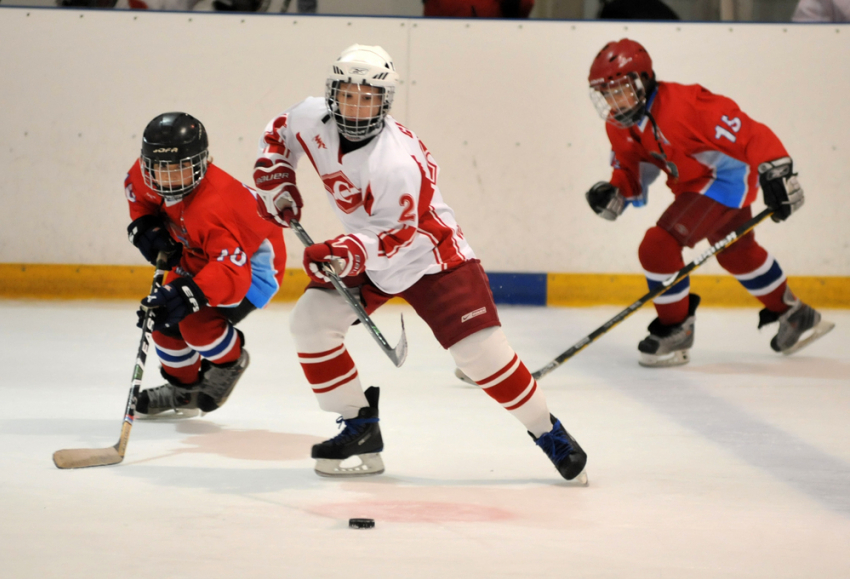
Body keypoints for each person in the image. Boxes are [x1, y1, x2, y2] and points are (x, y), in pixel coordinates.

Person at [253, 44, 586, 482]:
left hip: (430, 255)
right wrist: (277, 178)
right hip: (368, 248)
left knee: (479, 357)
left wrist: (344, 251)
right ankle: (359, 429)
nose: (356, 105)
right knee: (310, 323)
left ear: (384, 102)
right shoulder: (310, 118)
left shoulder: (395, 163)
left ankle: (550, 432)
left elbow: (400, 236)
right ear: (333, 93)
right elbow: (279, 133)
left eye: (368, 97)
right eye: (348, 94)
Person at [584, 38, 834, 367]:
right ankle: (795, 314)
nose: (613, 101)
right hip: (693, 186)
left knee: (658, 245)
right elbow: (632, 171)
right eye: (606, 93)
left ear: (643, 79)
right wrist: (615, 193)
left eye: (620, 90)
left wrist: (777, 171)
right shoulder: (620, 126)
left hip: (725, 179)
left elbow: (750, 133)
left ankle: (675, 329)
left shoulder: (688, 106)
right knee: (736, 252)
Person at [126, 112, 286, 417]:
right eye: (161, 168)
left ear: (202, 162)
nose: (170, 178)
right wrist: (147, 225)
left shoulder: (218, 204)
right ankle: (183, 391)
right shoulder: (143, 175)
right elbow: (141, 199)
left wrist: (188, 294)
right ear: (147, 164)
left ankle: (231, 361)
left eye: (181, 168)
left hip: (252, 267)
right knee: (161, 324)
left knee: (197, 326)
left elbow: (231, 273)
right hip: (197, 254)